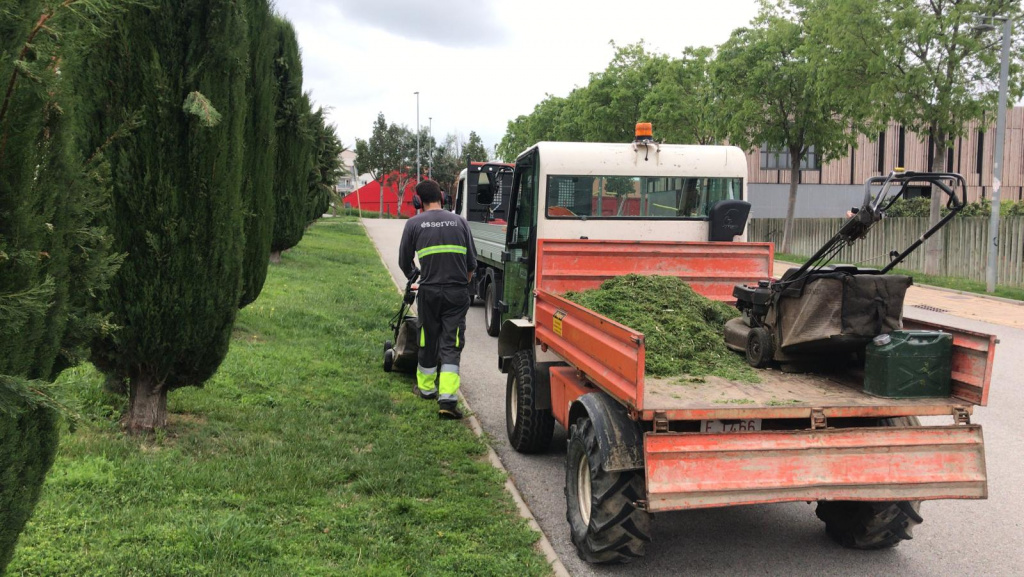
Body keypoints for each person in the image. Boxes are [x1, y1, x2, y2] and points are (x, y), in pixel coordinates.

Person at [398, 180, 477, 420]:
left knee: (427, 338)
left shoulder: (413, 224)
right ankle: (448, 400)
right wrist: (460, 284)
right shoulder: (461, 222)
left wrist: (416, 276)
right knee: (451, 343)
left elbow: (404, 261)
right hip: (457, 292)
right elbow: (472, 265)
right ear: (442, 197)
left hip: (429, 292)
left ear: (417, 201)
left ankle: (426, 389)